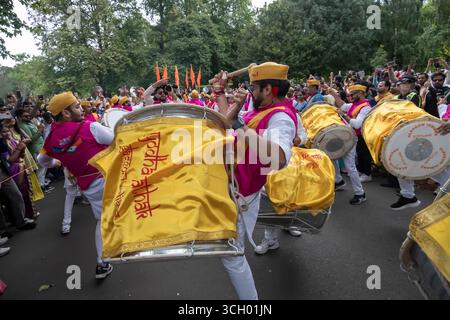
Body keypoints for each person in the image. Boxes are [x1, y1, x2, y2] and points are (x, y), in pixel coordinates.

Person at [212, 62, 297, 299]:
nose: (250, 91)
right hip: (232, 184)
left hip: (243, 193)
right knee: (229, 253)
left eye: (254, 87)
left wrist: (239, 123)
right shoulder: (261, 109)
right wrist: (220, 93)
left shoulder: (281, 118)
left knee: (232, 255)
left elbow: (278, 159)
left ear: (268, 89)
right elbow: (227, 123)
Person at [37, 92, 114, 279]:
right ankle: (103, 261)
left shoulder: (51, 139)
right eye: (77, 106)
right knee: (108, 217)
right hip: (108, 178)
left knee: (103, 219)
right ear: (66, 112)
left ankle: (103, 262)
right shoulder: (91, 127)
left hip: (87, 185)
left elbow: (42, 160)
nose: (81, 108)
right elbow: (116, 140)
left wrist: (58, 163)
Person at [326, 84, 369, 204]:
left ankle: (360, 193)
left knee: (350, 166)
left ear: (360, 93)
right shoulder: (354, 105)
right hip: (345, 135)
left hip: (352, 138)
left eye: (352, 94)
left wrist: (343, 115)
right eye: (349, 94)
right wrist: (333, 93)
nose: (350, 96)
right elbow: (343, 105)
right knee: (332, 156)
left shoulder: (365, 107)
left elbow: (357, 124)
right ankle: (338, 180)